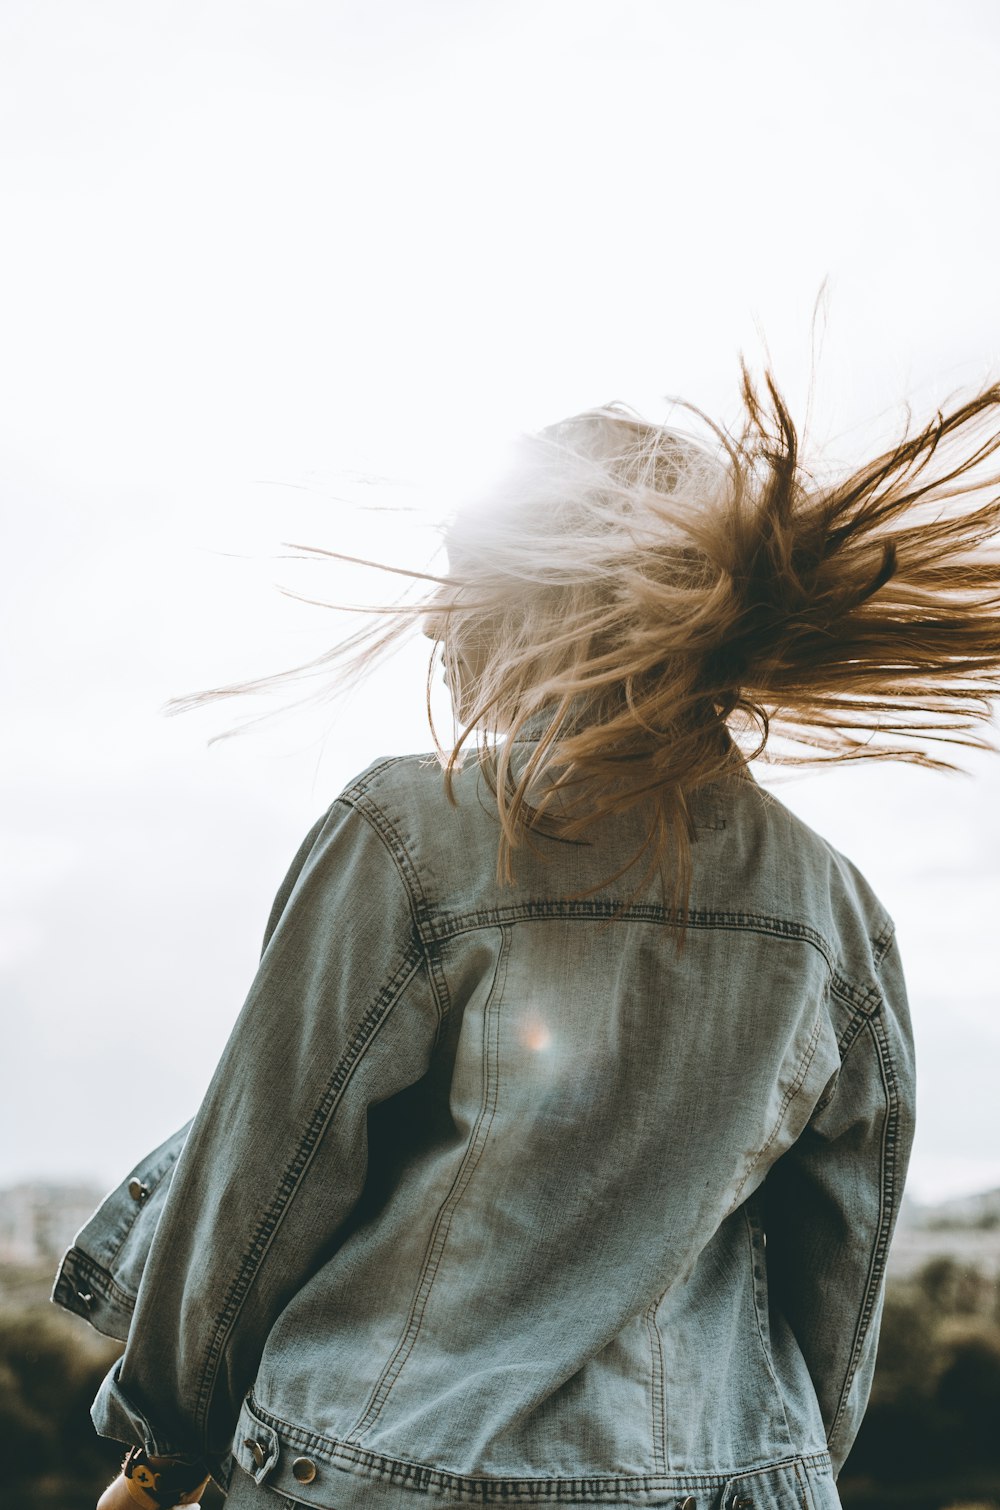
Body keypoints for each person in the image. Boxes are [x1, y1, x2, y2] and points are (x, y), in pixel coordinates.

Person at [54, 369, 1000, 1510]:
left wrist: (163, 1445)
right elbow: (838, 1288)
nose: (438, 615)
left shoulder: (408, 832)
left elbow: (263, 1177)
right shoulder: (836, 910)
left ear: (545, 592)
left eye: (465, 574)